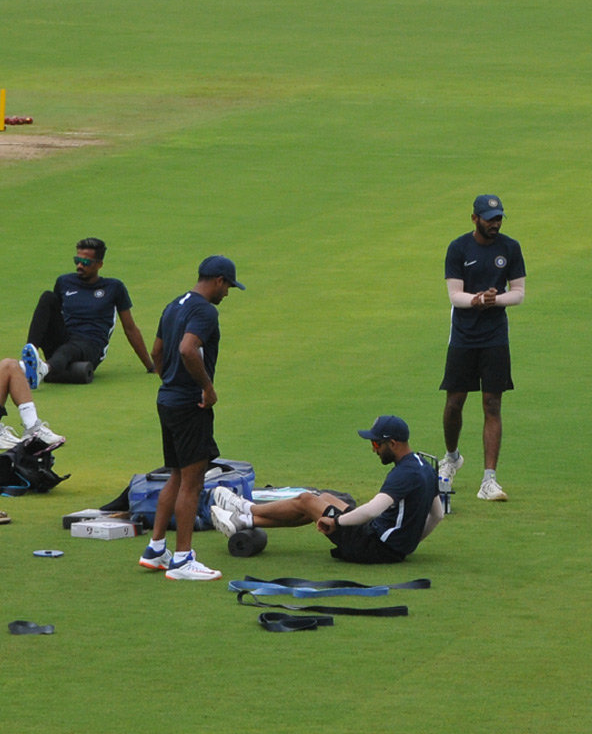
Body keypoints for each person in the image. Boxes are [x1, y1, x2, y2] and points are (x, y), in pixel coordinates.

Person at [208, 415, 445, 564]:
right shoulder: (425, 467)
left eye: (376, 444)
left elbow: (373, 510)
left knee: (308, 500)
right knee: (326, 498)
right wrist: (409, 544)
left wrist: (338, 523)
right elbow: (437, 515)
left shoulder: (403, 474)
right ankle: (245, 522)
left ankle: (244, 507)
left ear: (393, 444)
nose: (374, 450)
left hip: (373, 547)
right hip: (387, 543)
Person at [138, 255, 244, 581]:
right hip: (189, 406)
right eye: (228, 287)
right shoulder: (204, 310)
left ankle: (156, 549)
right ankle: (182, 560)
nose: (226, 294)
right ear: (219, 281)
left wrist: (170, 381)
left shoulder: (173, 305)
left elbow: (157, 352)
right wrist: (206, 388)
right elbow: (187, 348)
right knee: (193, 481)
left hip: (167, 401)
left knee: (176, 475)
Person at [438, 195, 526, 502]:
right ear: (474, 218)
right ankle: (451, 457)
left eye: (499, 218)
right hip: (463, 336)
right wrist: (477, 299)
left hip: (495, 337)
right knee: (455, 402)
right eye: (490, 219)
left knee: (492, 404)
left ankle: (489, 480)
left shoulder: (510, 248)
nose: (496, 224)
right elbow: (454, 295)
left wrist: (494, 299)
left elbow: (518, 293)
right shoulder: (459, 248)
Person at [21, 237, 155, 387]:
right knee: (47, 297)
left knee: (67, 350)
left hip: (91, 345)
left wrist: (150, 366)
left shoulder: (114, 287)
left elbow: (130, 329)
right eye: (77, 260)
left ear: (99, 264)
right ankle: (29, 357)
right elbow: (52, 317)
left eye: (85, 262)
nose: (79, 265)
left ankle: (44, 369)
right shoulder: (64, 282)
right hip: (66, 337)